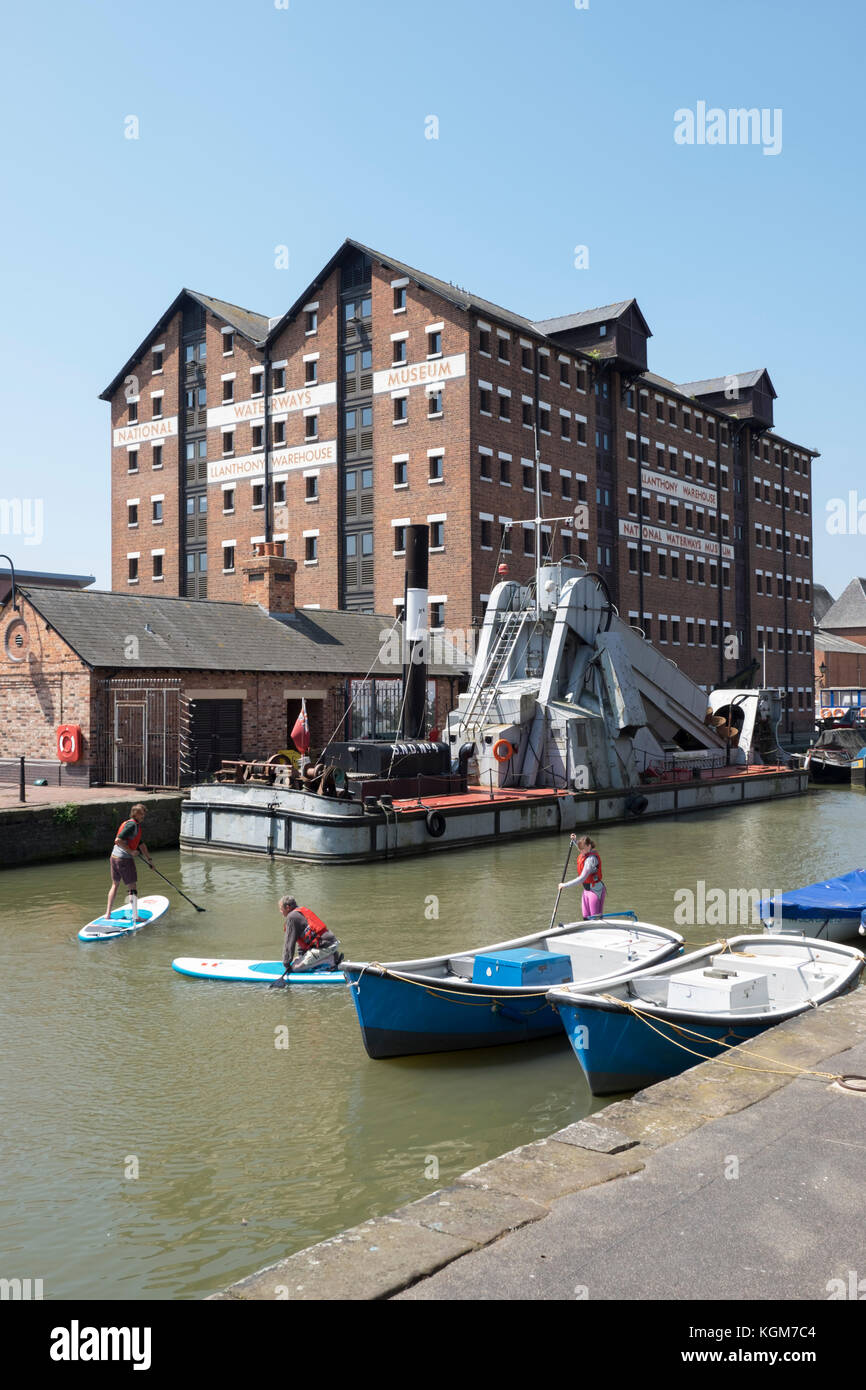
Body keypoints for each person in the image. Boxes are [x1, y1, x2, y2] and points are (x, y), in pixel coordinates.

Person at [106, 804, 153, 923]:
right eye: (141, 813)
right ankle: (136, 917)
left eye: (144, 813)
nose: (144, 816)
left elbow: (141, 845)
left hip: (114, 857)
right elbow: (118, 840)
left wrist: (149, 860)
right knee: (132, 888)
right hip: (124, 860)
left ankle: (108, 914)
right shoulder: (132, 825)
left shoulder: (133, 825)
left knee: (115, 885)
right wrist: (131, 851)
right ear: (135, 814)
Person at [280, 896, 342, 972]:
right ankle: (330, 956)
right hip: (332, 944)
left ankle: (329, 959)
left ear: (287, 907)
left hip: (324, 947)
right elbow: (301, 940)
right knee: (299, 961)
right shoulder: (301, 911)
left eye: (281, 909)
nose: (280, 911)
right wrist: (302, 957)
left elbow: (289, 943)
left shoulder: (291, 917)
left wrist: (287, 964)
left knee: (295, 968)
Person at [559, 834, 606, 919]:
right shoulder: (585, 851)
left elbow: (582, 878)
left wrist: (564, 885)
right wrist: (574, 840)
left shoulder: (591, 860)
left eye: (582, 849)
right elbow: (581, 848)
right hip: (586, 891)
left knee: (594, 919)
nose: (581, 851)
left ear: (589, 846)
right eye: (580, 849)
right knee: (585, 917)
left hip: (595, 891)